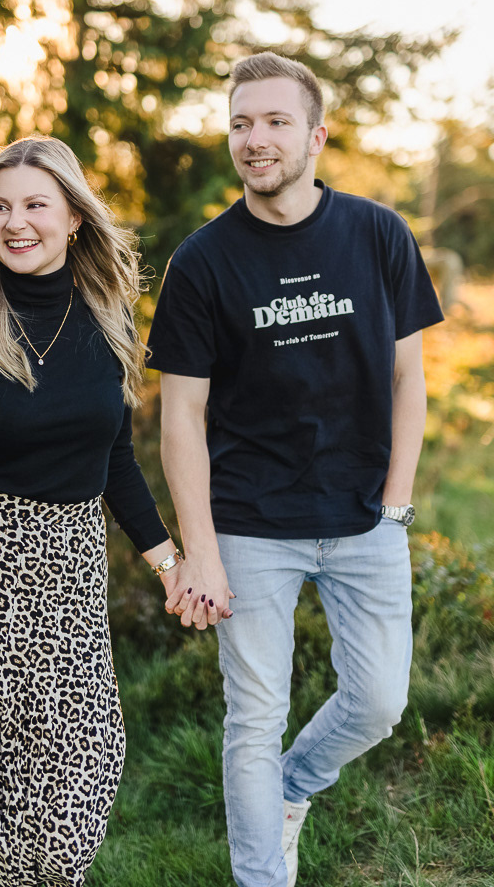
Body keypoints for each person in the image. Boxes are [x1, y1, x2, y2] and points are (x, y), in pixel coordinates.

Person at [146, 52, 444, 887]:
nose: (256, 139)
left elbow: (409, 379)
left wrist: (395, 507)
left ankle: (292, 786)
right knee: (253, 720)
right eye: (241, 123)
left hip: (365, 518)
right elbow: (181, 418)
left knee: (380, 703)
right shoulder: (202, 261)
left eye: (276, 121)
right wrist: (200, 550)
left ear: (316, 136)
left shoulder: (378, 234)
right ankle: (262, 877)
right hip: (249, 525)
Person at [0, 135, 184, 887]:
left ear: (75, 217)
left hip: (71, 577)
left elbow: (116, 462)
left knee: (81, 765)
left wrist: (170, 564)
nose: (15, 223)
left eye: (35, 205)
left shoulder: (110, 326)